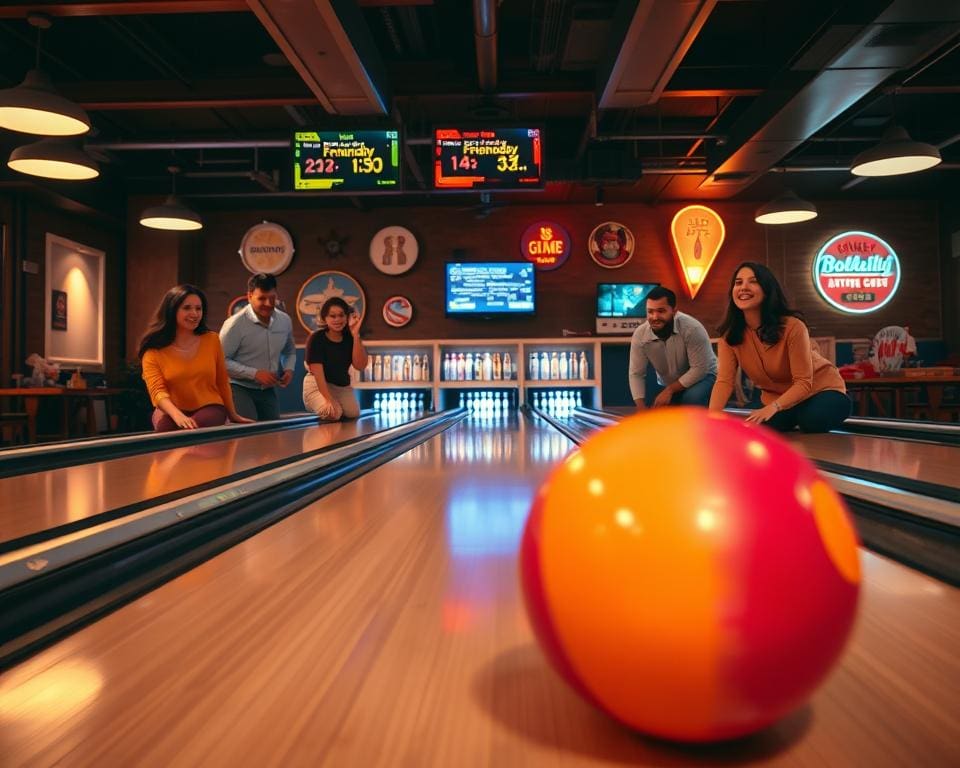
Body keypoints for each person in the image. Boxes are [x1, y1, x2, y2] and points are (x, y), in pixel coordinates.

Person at [708, 262, 851, 432]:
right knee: (756, 427)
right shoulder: (729, 335)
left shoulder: (793, 326)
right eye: (738, 283)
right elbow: (724, 381)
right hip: (777, 397)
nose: (743, 287)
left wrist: (774, 407)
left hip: (820, 389)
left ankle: (808, 412)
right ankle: (792, 414)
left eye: (753, 281)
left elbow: (803, 382)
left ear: (767, 290)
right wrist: (711, 418)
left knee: (812, 420)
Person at [139, 284, 252, 432]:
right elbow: (157, 391)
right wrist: (177, 415)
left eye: (198, 308)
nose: (194, 313)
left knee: (192, 430)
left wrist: (233, 414)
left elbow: (222, 382)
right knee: (165, 431)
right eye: (187, 308)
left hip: (210, 406)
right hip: (172, 409)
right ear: (172, 310)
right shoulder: (153, 351)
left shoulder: (211, 340)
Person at [219, 272, 296, 421]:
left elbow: (289, 350)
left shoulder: (285, 320)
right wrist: (255, 374)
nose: (268, 303)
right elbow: (221, 361)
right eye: (262, 298)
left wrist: (288, 368)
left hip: (267, 389)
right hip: (237, 387)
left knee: (273, 430)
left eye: (272, 298)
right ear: (249, 296)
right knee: (249, 430)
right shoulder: (234, 325)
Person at [628, 286, 717, 409]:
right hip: (673, 384)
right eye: (650, 311)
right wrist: (640, 408)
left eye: (661, 311)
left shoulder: (692, 328)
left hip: (705, 377)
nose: (655, 317)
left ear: (674, 311)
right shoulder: (640, 334)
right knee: (660, 411)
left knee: (691, 399)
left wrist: (669, 390)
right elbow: (636, 374)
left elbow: (699, 369)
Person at [303, 297, 369, 421]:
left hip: (341, 387)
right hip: (317, 385)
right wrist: (329, 399)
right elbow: (318, 375)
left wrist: (356, 335)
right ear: (325, 319)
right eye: (332, 316)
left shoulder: (350, 338)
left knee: (353, 413)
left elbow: (360, 366)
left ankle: (335, 406)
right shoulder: (316, 338)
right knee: (333, 412)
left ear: (347, 317)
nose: (337, 319)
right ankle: (313, 402)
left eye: (341, 315)